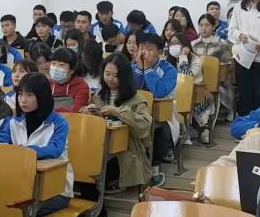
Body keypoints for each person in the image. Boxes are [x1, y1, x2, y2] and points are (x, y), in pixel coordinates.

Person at [0, 73, 73, 217]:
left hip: (55, 190)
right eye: (20, 94)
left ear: (42, 97)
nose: (23, 100)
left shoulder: (59, 123)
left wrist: (24, 152)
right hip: (20, 184)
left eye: (29, 95)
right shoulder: (14, 122)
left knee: (16, 208)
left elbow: (54, 149)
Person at [82, 53, 154, 200]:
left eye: (115, 75)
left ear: (124, 76)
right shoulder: (98, 96)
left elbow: (144, 126)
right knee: (85, 168)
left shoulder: (136, 98)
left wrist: (118, 112)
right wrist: (88, 112)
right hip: (100, 147)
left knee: (95, 173)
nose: (110, 79)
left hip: (126, 150)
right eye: (107, 74)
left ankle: (105, 194)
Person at [132, 32, 178, 184]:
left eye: (149, 49)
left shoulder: (169, 70)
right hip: (135, 111)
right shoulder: (133, 67)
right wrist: (140, 69)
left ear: (159, 52)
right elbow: (131, 90)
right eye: (141, 48)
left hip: (163, 112)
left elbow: (159, 91)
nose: (144, 53)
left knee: (157, 127)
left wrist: (147, 69)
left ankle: (155, 166)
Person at [48, 48, 91, 113]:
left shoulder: (81, 86)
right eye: (53, 63)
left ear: (72, 70)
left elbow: (75, 110)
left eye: (61, 65)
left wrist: (49, 111)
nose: (56, 68)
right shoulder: (47, 84)